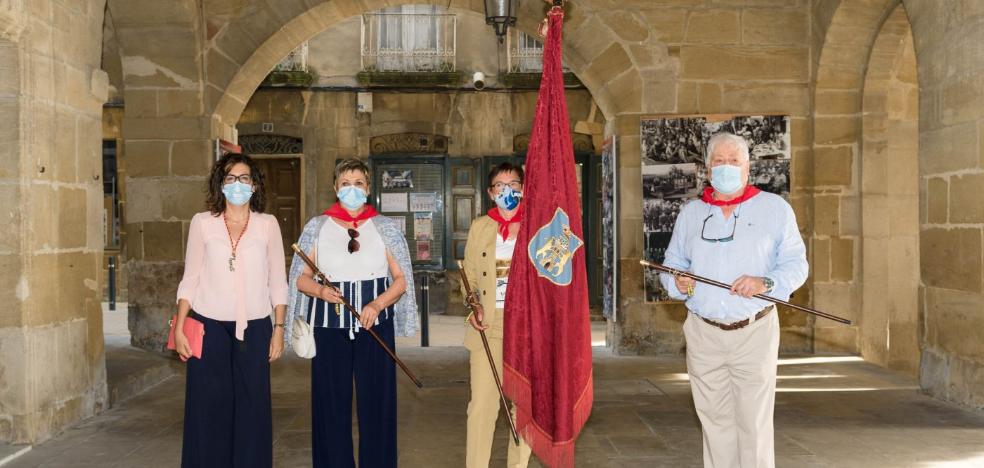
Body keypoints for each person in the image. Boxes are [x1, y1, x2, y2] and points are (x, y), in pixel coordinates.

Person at [659, 133, 808, 468]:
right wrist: (677, 281)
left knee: (753, 423)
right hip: (703, 332)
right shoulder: (691, 214)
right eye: (719, 162)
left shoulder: (775, 209)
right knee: (714, 421)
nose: (726, 167)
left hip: (753, 330)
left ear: (748, 168)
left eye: (734, 161)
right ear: (708, 170)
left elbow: (797, 265)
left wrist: (765, 282)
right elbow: (670, 267)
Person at [284, 158, 417, 468]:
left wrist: (377, 304)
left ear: (368, 188)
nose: (352, 189)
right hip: (329, 329)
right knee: (330, 406)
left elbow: (401, 280)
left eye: (359, 183)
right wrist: (320, 291)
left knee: (378, 406)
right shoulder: (317, 227)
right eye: (346, 183)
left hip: (375, 327)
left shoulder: (384, 227)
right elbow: (299, 278)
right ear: (335, 187)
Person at [174, 152, 288, 468]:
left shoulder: (268, 225)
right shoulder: (202, 223)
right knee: (209, 407)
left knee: (253, 407)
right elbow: (190, 278)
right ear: (220, 184)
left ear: (254, 186)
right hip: (208, 325)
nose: (237, 184)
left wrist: (278, 330)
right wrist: (180, 326)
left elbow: (278, 281)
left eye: (244, 178)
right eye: (230, 178)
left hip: (255, 327)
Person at [461, 162, 534, 468]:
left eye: (514, 184)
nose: (507, 191)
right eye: (500, 186)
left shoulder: (538, 226)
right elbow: (470, 279)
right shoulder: (481, 226)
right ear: (491, 193)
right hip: (489, 326)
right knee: (481, 407)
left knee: (525, 409)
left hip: (528, 330)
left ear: (523, 188)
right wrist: (473, 304)